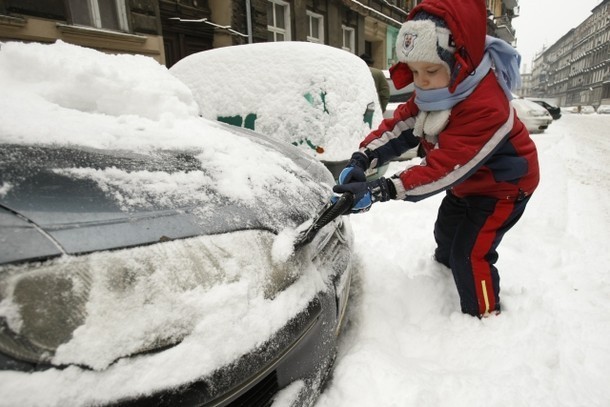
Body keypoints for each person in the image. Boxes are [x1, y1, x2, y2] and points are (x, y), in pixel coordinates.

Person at [334, 0, 540, 318]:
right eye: (415, 71)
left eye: (430, 70)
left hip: (503, 186)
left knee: (470, 253)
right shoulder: (437, 90)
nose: (422, 80)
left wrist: (381, 190)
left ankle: (484, 316)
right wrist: (363, 158)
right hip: (468, 182)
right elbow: (400, 127)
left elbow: (443, 169)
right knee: (445, 234)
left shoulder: (486, 106)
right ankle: (445, 278)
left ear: (459, 62)